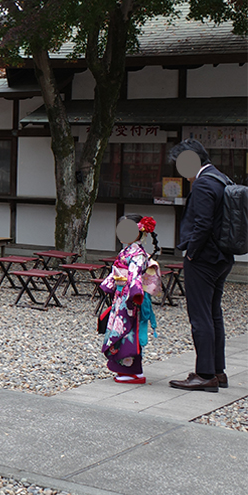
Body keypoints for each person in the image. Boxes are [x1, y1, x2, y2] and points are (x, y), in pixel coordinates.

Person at [169, 139, 234, 392]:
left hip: (205, 258)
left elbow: (203, 224)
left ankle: (205, 374)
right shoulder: (221, 178)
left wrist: (191, 253)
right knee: (214, 314)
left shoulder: (204, 183)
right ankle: (218, 371)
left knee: (200, 316)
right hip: (222, 257)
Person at [101, 215, 160, 385]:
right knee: (121, 331)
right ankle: (132, 371)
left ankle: (131, 371)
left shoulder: (138, 254)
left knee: (127, 331)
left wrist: (134, 296)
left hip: (130, 298)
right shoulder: (128, 250)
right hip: (122, 296)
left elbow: (134, 277)